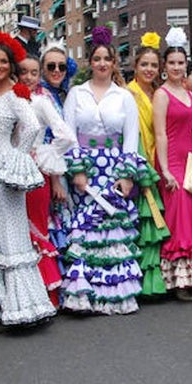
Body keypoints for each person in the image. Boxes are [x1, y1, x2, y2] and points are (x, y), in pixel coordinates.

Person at [61, 27, 151, 315]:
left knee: (113, 229)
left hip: (113, 169)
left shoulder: (124, 96)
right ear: (90, 62)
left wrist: (126, 174)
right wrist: (77, 170)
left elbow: (131, 137)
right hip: (85, 170)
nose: (101, 64)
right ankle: (83, 295)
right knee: (86, 231)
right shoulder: (77, 93)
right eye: (97, 58)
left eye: (106, 59)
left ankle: (114, 294)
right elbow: (68, 133)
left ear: (114, 63)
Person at [0, 33, 56, 328]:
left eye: (3, 61)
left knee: (10, 232)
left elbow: (32, 127)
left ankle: (21, 305)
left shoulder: (15, 94)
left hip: (5, 173)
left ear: (10, 66)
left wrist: (16, 157)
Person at [18, 54, 77, 304]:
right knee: (15, 234)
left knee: (37, 231)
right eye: (24, 72)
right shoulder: (8, 100)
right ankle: (21, 296)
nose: (29, 77)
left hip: (35, 172)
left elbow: (65, 136)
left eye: (34, 72)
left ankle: (45, 295)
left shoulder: (41, 102)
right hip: (8, 175)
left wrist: (43, 155)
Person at [153, 28, 192, 299]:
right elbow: (160, 133)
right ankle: (176, 281)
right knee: (178, 219)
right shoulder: (161, 94)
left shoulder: (189, 94)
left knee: (190, 219)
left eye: (180, 63)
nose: (176, 67)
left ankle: (190, 278)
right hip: (170, 161)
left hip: (190, 161)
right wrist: (164, 169)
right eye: (171, 63)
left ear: (186, 65)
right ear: (165, 66)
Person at [126, 35, 169, 298]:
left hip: (159, 157)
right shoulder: (129, 93)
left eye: (154, 65)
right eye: (145, 64)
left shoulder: (159, 92)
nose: (149, 70)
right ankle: (141, 281)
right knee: (145, 220)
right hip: (142, 159)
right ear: (136, 65)